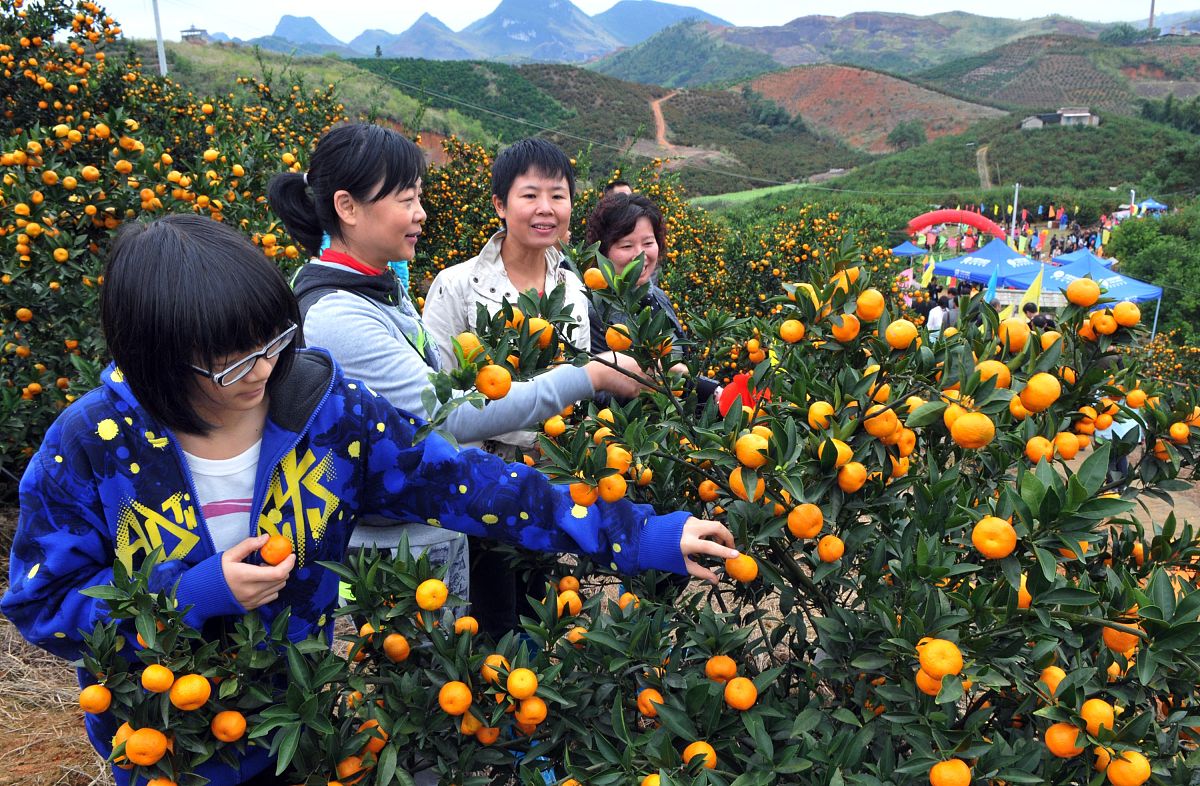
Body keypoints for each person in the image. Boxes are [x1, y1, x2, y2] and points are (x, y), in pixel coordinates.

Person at [0, 214, 738, 786]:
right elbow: (42, 604)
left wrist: (634, 532)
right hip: (160, 747)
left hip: (299, 726)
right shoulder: (91, 446)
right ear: (155, 359)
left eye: (272, 343)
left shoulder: (324, 412)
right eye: (230, 365)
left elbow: (472, 485)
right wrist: (192, 594)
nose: (261, 373)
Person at [269, 125, 648, 611]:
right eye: (406, 200)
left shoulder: (378, 288)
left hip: (445, 510)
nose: (421, 213)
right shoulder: (337, 314)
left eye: (419, 197)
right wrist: (589, 375)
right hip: (397, 549)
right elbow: (448, 413)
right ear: (347, 207)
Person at [420, 137, 596, 638]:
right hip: (475, 483)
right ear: (500, 204)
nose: (546, 208)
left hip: (549, 478)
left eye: (558, 195)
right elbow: (437, 400)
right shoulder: (456, 286)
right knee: (486, 622)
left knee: (538, 616)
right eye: (530, 195)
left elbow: (577, 384)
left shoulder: (574, 288)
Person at [582, 193, 721, 402]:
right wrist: (701, 388)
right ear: (603, 252)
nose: (640, 255)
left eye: (648, 242)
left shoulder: (657, 296)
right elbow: (597, 394)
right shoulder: (595, 311)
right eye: (626, 246)